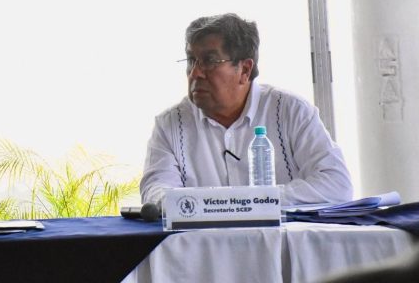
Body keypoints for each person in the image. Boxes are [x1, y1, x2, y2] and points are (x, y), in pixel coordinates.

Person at [140, 13, 353, 206]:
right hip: (204, 238)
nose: (195, 73)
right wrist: (224, 204)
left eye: (209, 61)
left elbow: (337, 184)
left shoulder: (291, 111)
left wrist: (254, 201)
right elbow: (155, 192)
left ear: (245, 69)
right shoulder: (170, 124)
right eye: (191, 61)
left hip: (280, 237)